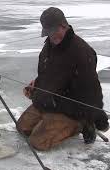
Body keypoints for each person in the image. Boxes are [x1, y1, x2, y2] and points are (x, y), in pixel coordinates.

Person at [16, 7, 109, 151]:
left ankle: (80, 125)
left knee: (38, 142)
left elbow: (92, 91)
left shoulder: (82, 52)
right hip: (48, 102)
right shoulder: (49, 46)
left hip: (70, 110)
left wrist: (92, 119)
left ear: (63, 25)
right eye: (48, 32)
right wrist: (37, 84)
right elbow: (47, 73)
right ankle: (48, 120)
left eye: (54, 31)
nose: (52, 36)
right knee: (22, 128)